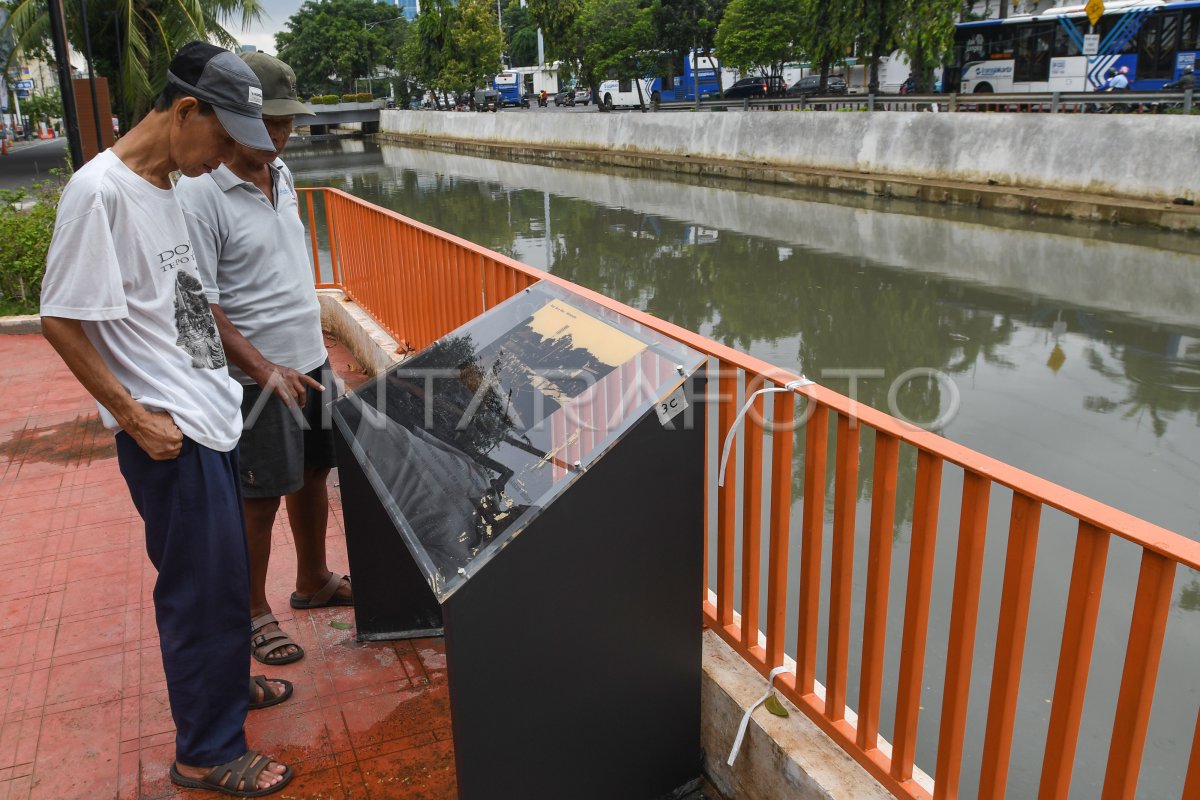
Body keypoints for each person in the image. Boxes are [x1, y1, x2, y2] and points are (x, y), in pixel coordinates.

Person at [39, 41, 294, 797]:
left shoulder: (168, 187)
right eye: (222, 139)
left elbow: (183, 306)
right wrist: (132, 416)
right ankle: (206, 752)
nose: (223, 160)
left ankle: (223, 688)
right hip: (168, 435)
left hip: (208, 419)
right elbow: (59, 319)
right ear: (186, 111)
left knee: (220, 584)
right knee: (198, 592)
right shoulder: (101, 194)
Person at [177, 52, 352, 670]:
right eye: (268, 125)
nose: (277, 138)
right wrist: (261, 371)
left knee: (313, 475)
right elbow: (201, 305)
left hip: (308, 360)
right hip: (256, 376)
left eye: (285, 124)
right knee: (259, 497)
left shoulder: (281, 175)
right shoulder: (201, 192)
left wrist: (313, 348)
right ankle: (253, 611)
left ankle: (314, 578)